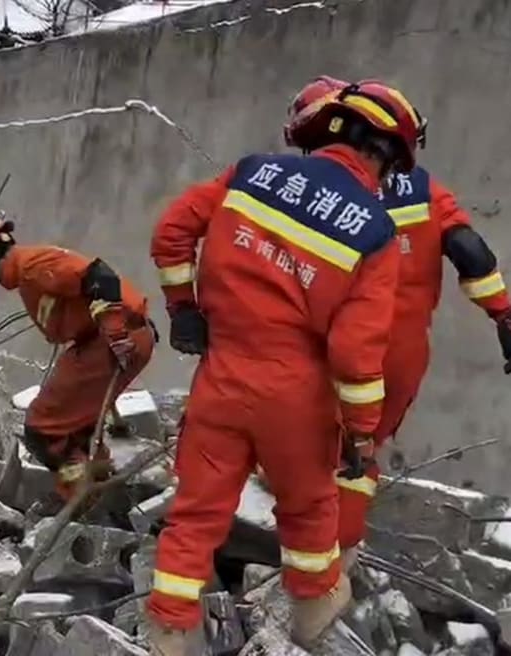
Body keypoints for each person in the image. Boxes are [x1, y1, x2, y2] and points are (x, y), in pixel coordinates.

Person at [146, 81, 423, 654]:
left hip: (220, 378)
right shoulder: (374, 231)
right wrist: (360, 432)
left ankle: (170, 632)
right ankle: (314, 624)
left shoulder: (251, 173)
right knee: (310, 512)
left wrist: (184, 309)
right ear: (388, 157)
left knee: (195, 514)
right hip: (298, 400)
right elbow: (354, 354)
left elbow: (172, 232)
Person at [284, 76, 511, 565]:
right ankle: (336, 560)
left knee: (303, 445)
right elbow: (470, 252)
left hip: (330, 345)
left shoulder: (312, 189)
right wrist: (504, 316)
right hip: (402, 353)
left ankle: (292, 558)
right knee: (359, 458)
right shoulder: (424, 189)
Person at [0, 218, 155, 500]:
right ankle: (105, 493)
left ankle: (82, 499)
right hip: (115, 338)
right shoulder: (28, 271)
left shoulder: (32, 266)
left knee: (43, 430)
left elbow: (99, 276)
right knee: (77, 429)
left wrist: (115, 330)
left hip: (112, 339)